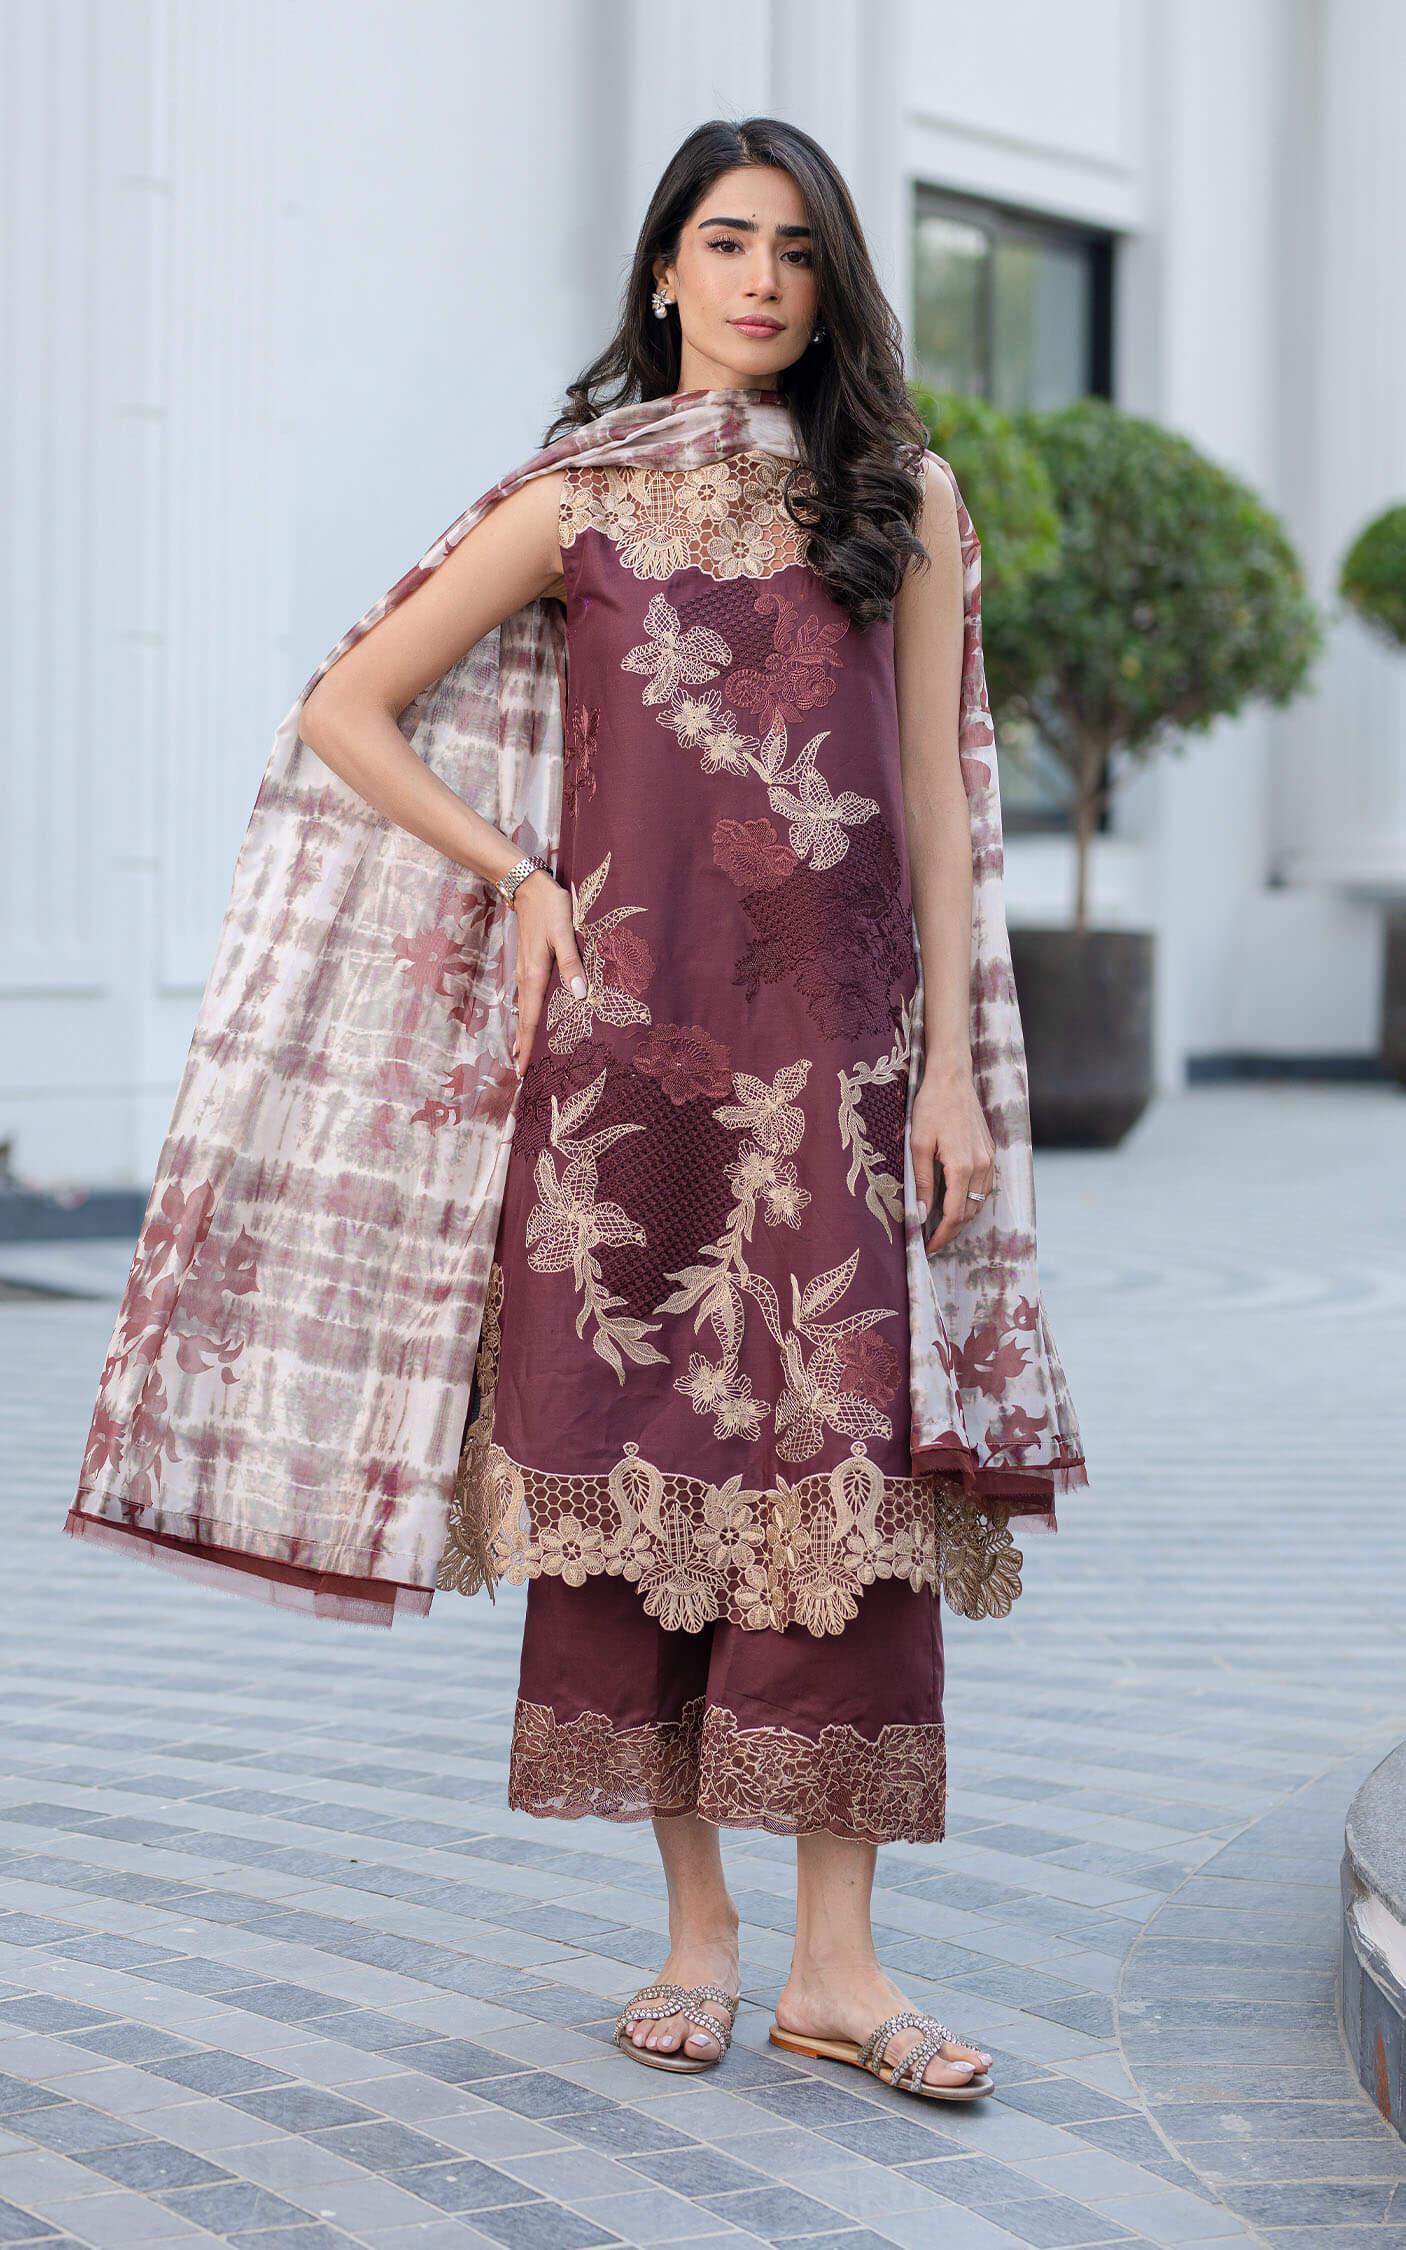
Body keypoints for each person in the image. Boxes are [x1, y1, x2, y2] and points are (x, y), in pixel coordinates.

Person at [296, 115, 1016, 2104]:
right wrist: (516, 876)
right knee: (639, 1492)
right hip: (628, 1074)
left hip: (844, 1077)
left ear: (830, 281)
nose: (761, 280)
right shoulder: (579, 500)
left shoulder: (900, 493)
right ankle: (698, 1938)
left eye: (796, 249)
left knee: (848, 1498)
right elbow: (347, 706)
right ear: (663, 270)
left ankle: (837, 1970)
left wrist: (955, 1070)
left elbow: (940, 805)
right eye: (725, 241)